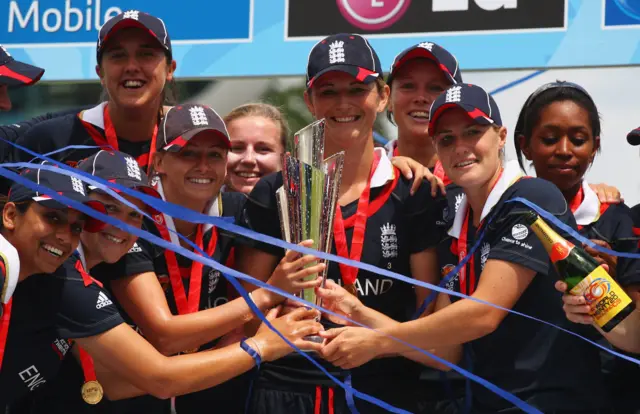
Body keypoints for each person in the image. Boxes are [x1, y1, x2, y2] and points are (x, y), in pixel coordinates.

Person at [318, 83, 610, 413]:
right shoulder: (453, 218)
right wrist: (358, 312)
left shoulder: (533, 198)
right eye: (447, 139)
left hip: (553, 401)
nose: (461, 147)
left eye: (473, 132)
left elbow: (484, 313)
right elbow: (445, 353)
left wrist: (377, 341)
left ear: (501, 136)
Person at [235, 33, 454, 414]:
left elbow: (428, 322)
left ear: (382, 95)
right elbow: (246, 314)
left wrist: (367, 329)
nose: (343, 104)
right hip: (289, 389)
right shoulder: (277, 190)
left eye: (357, 89)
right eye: (328, 92)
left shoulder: (413, 192)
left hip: (384, 390)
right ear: (309, 101)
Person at [62, 104, 323, 414]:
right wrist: (264, 301)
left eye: (214, 155)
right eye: (188, 153)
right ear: (159, 161)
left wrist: (395, 155)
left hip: (203, 394)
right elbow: (165, 335)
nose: (203, 166)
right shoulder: (135, 220)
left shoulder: (239, 211)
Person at [0, 164, 323, 411]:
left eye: (75, 225)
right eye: (108, 209)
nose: (121, 224)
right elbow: (161, 370)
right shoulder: (59, 276)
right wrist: (262, 344)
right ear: (11, 215)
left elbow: (114, 381)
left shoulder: (59, 275)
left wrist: (240, 346)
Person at [514, 81, 640, 413]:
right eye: (550, 139)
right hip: (516, 397)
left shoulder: (619, 221)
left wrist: (609, 290)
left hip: (606, 397)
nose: (565, 150)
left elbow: (634, 332)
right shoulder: (500, 216)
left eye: (579, 139)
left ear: (595, 146)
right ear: (525, 145)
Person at [8, 10, 176, 172]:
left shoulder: (194, 139)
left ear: (170, 69)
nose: (132, 67)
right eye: (118, 55)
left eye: (146, 54)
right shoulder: (51, 142)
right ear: (100, 73)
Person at [385, 41, 461, 183]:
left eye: (435, 88)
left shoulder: (477, 181)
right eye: (408, 86)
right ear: (387, 98)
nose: (421, 98)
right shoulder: (367, 175)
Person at [224, 103, 288, 194]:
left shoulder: (305, 207)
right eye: (236, 148)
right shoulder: (198, 207)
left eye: (263, 149)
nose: (249, 159)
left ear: (285, 160)